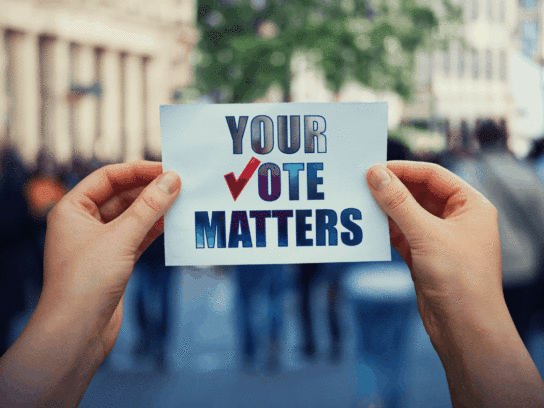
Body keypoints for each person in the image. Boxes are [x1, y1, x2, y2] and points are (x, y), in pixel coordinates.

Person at [0, 160, 543, 407]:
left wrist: (62, 331)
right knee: (279, 308)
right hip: (300, 268)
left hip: (265, 265)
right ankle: (311, 363)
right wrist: (481, 329)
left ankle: (284, 356)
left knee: (261, 306)